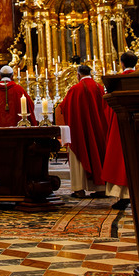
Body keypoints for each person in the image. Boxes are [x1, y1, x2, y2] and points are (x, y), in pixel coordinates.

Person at [56, 65, 108, 198]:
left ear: (78, 75)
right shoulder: (99, 88)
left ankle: (79, 189)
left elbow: (64, 108)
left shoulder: (75, 89)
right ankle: (101, 188)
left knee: (79, 154)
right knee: (98, 154)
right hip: (97, 129)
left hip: (79, 130)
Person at [101, 52, 136, 210]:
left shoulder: (116, 81)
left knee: (120, 157)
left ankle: (123, 195)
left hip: (119, 122)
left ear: (121, 63)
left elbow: (107, 105)